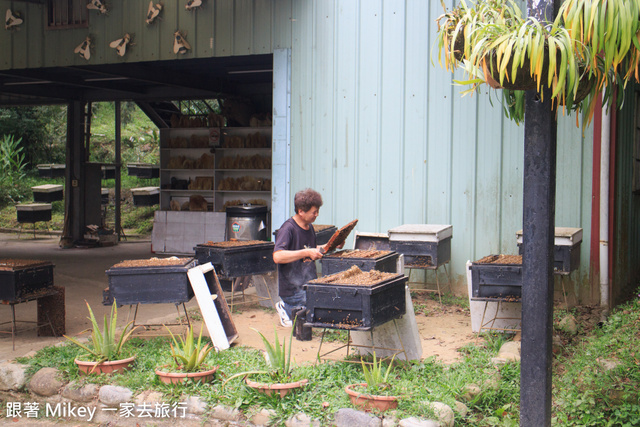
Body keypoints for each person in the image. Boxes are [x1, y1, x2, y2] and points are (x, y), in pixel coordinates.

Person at [273, 188, 326, 327]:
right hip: (292, 288)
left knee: (318, 311)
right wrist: (307, 253)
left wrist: (331, 245)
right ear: (301, 211)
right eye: (314, 212)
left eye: (317, 211)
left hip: (307, 284)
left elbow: (311, 249)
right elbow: (277, 256)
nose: (317, 215)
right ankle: (284, 307)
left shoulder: (309, 227)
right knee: (306, 320)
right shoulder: (287, 229)